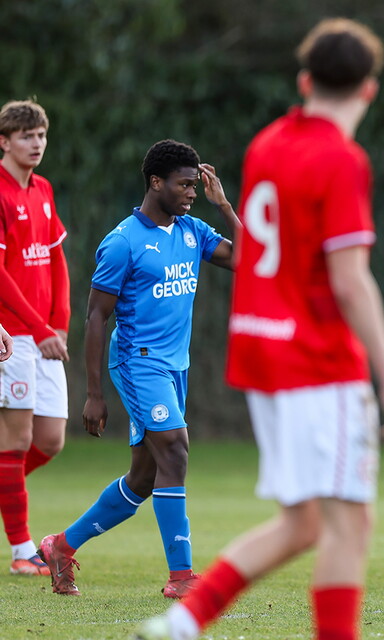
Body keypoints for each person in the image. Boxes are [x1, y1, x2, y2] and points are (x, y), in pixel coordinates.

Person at [133, 17, 384, 640]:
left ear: (304, 79)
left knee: (304, 524)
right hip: (318, 361)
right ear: (369, 90)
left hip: (262, 354)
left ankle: (181, 623)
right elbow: (349, 279)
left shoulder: (267, 144)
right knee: (348, 525)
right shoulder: (342, 160)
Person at [38, 139, 239, 598]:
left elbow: (249, 261)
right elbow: (94, 317)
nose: (192, 192)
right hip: (138, 363)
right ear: (155, 182)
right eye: (184, 185)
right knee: (176, 450)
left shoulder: (193, 231)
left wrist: (224, 206)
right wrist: (93, 394)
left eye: (195, 184)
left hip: (176, 367)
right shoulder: (123, 241)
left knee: (144, 479)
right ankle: (181, 577)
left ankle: (61, 547)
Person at [0, 99, 71, 577]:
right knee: (18, 436)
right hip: (13, 335)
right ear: (4, 141)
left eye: (41, 135)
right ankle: (23, 550)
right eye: (27, 136)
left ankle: (9, 493)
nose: (36, 143)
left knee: (51, 438)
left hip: (46, 334)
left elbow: (56, 258)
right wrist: (40, 328)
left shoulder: (42, 189)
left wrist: (60, 320)